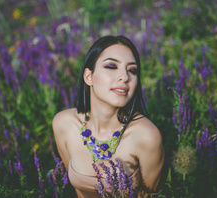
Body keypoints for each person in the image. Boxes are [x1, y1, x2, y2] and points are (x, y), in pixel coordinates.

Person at [53, 35, 164, 198]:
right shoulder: (64, 124)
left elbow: (148, 195)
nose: (125, 77)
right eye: (111, 66)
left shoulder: (147, 136)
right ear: (88, 77)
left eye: (132, 70)